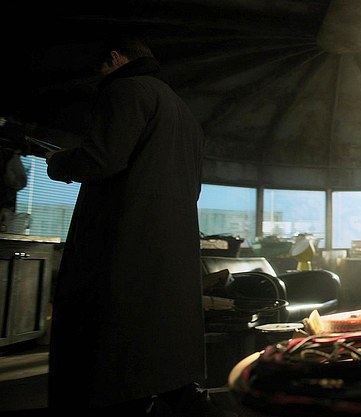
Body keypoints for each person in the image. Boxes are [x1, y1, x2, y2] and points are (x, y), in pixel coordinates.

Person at [45, 36, 230, 416]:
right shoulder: (184, 113)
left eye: (102, 69)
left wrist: (59, 162)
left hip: (123, 239)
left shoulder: (125, 89)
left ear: (114, 58)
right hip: (171, 246)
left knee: (112, 350)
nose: (101, 77)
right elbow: (193, 187)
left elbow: (102, 158)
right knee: (164, 347)